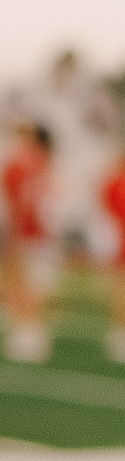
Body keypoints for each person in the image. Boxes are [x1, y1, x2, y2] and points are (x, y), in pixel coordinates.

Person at [0, 121, 59, 363]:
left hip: (28, 232)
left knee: (20, 283)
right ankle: (32, 331)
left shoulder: (20, 166)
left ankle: (26, 331)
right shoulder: (46, 165)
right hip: (43, 233)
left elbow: (17, 204)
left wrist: (11, 235)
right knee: (35, 285)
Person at [101, 150, 125, 362]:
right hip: (120, 241)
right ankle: (120, 332)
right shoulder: (116, 181)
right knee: (120, 287)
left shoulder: (116, 181)